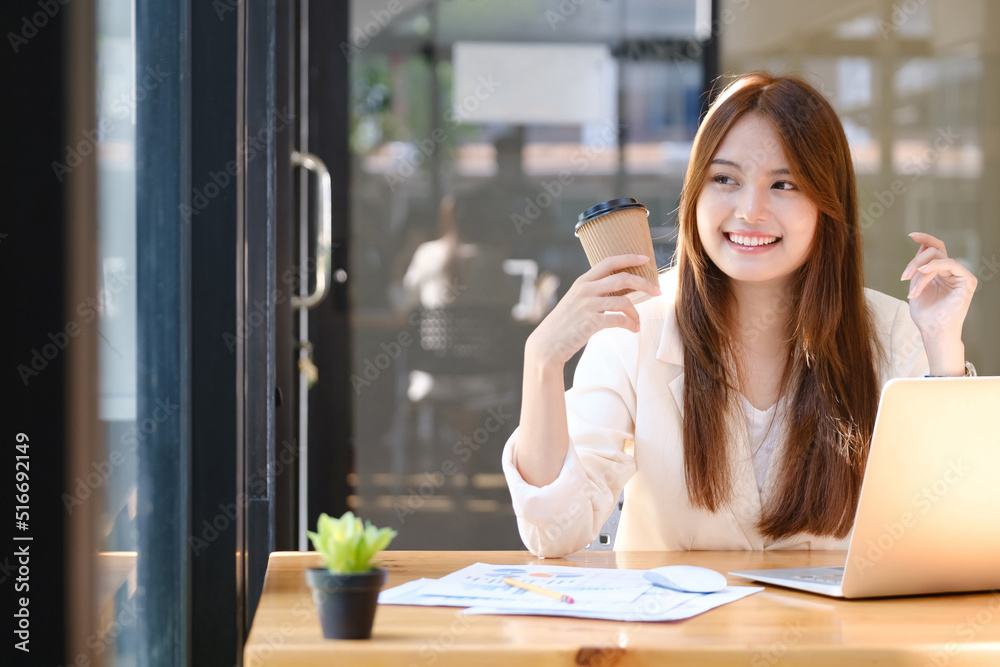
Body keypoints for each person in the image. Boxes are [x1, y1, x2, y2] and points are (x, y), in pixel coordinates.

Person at [502, 72, 978, 557]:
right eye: (725, 179)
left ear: (826, 205)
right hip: (679, 630)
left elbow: (954, 532)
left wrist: (943, 346)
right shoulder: (635, 325)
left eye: (784, 184)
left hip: (832, 634)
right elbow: (553, 534)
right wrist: (541, 360)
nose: (750, 210)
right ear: (696, 194)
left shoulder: (892, 329)